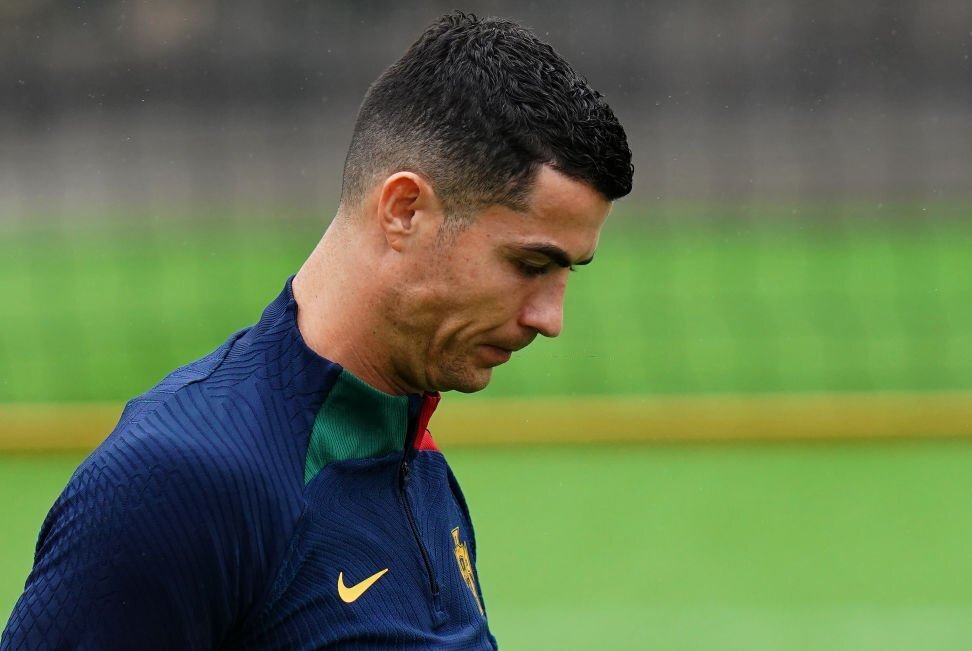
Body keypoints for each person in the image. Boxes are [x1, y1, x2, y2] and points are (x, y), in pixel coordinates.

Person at [2, 12, 632, 650]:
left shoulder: (409, 447)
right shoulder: (180, 480)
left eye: (568, 272)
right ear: (405, 210)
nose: (550, 319)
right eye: (530, 265)